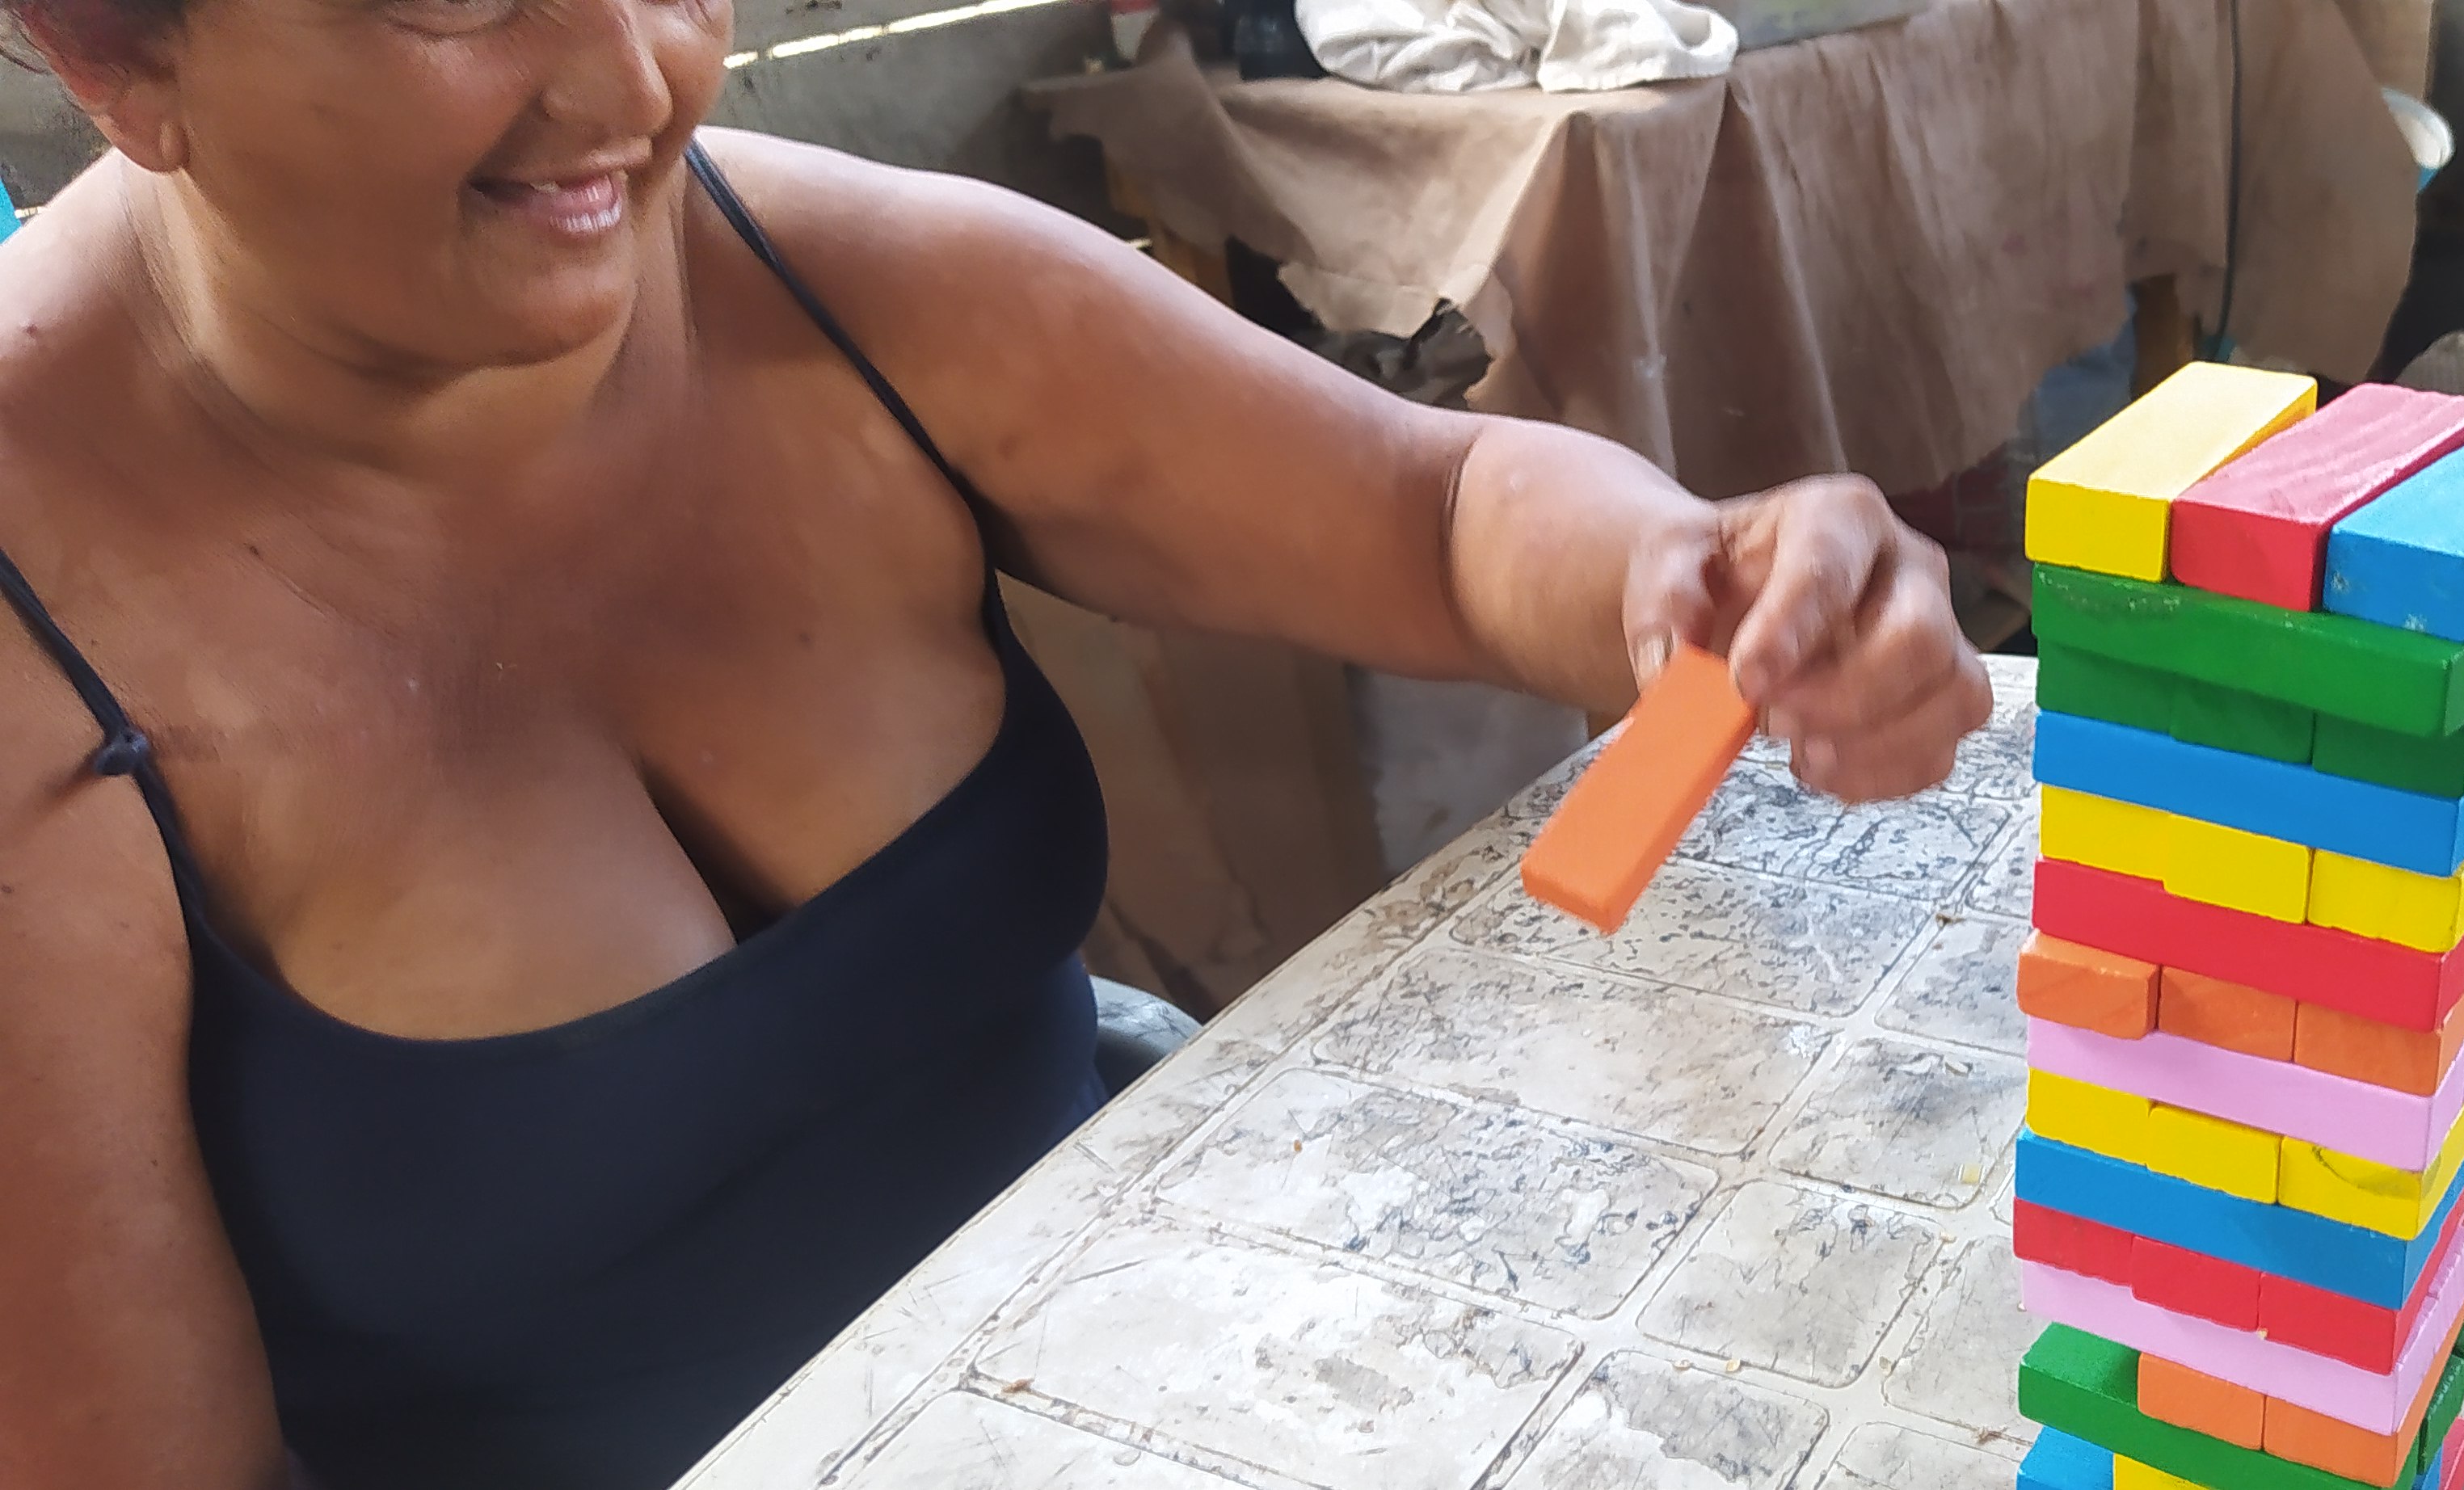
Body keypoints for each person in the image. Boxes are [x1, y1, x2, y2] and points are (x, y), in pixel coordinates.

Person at [0, 2, 1993, 1486]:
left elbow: (1436, 509)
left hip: (1165, 1373)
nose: (630, 80)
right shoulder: (36, 638)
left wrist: (1685, 574)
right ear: (111, 53)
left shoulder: (824, 286)